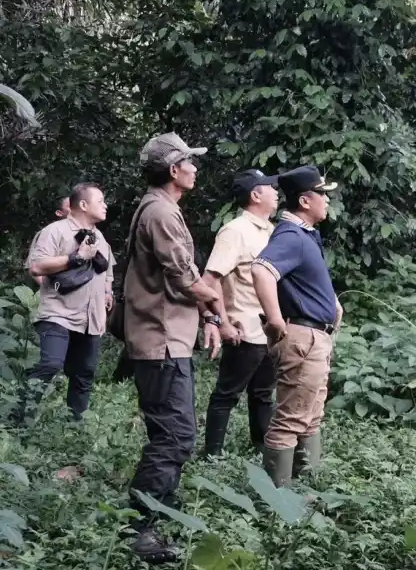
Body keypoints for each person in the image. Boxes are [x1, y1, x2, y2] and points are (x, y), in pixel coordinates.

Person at [123, 132, 223, 563]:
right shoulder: (161, 213)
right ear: (173, 169)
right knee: (176, 436)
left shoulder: (162, 210)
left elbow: (179, 280)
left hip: (167, 338)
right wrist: (217, 306)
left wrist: (209, 317)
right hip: (160, 341)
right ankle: (139, 528)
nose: (196, 169)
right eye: (190, 163)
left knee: (171, 433)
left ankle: (159, 508)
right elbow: (184, 277)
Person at [250, 165, 343, 487]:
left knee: (310, 418)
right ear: (305, 201)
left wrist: (333, 305)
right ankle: (279, 504)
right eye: (323, 195)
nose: (327, 201)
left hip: (316, 338)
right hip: (303, 338)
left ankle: (306, 491)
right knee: (290, 422)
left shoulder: (304, 235)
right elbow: (261, 271)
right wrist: (275, 319)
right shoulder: (291, 235)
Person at [201, 169, 280, 457]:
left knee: (262, 395)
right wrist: (220, 321)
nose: (276, 192)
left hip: (269, 330)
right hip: (243, 327)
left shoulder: (273, 231)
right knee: (226, 394)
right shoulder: (235, 231)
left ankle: (262, 449)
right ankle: (212, 455)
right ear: (256, 195)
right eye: (270, 187)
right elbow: (211, 280)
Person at [19, 184, 113, 423]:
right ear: (83, 205)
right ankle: (18, 418)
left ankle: (74, 427)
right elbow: (37, 266)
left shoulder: (100, 237)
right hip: (58, 313)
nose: (105, 205)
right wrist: (75, 258)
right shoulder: (54, 231)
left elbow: (107, 271)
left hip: (91, 318)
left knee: (84, 374)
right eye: (100, 201)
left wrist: (107, 291)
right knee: (50, 364)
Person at [26, 196, 71, 288]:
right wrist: (53, 290)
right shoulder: (50, 232)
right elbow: (33, 266)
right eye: (70, 205)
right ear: (59, 213)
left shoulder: (91, 232)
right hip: (61, 294)